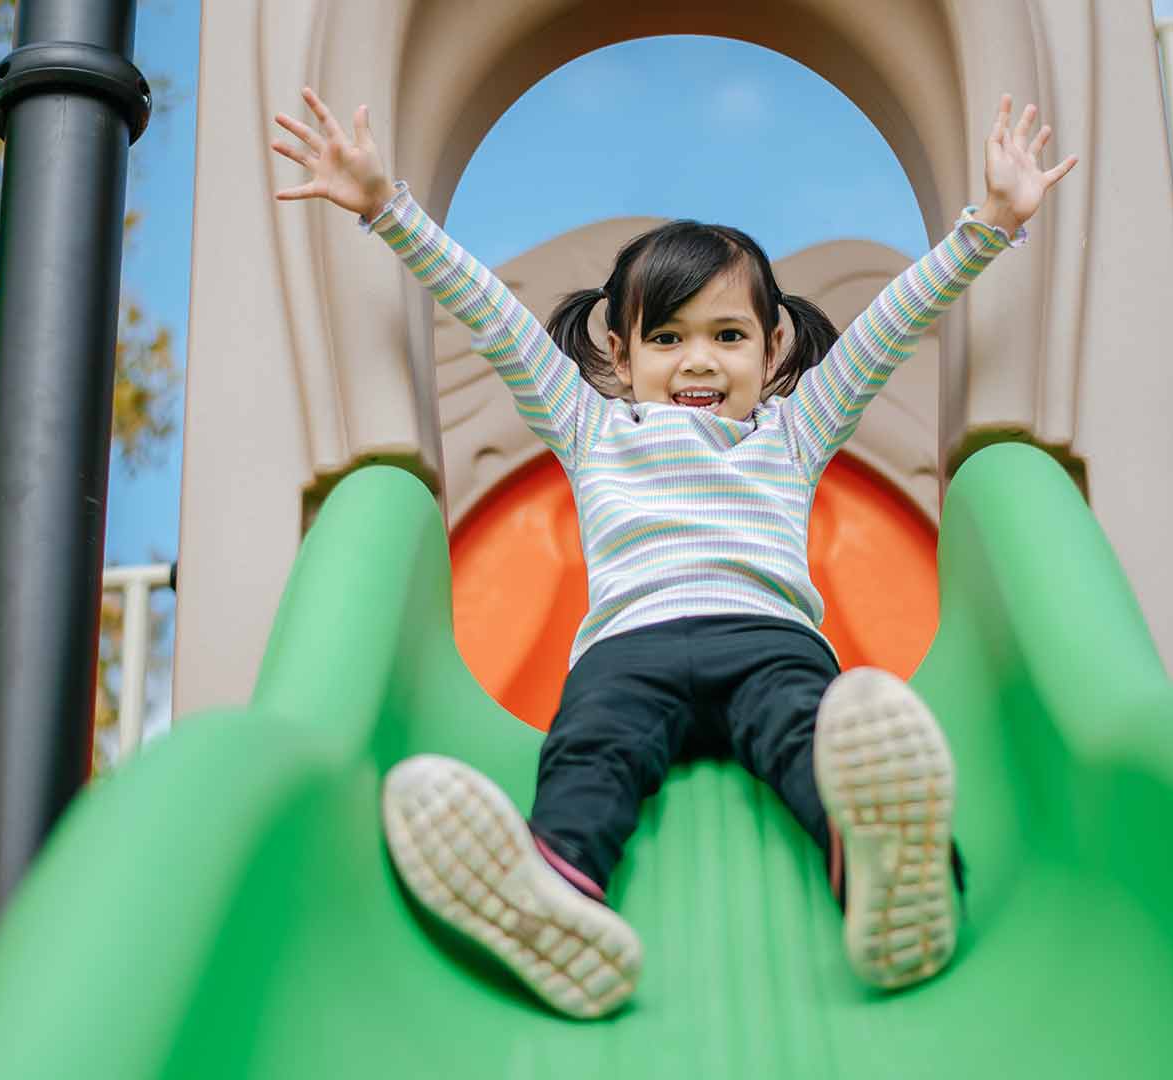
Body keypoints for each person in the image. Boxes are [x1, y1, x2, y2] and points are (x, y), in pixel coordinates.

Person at [270, 88, 1075, 1020]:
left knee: (814, 735)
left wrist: (991, 225)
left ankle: (891, 875)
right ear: (618, 350)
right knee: (591, 754)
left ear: (775, 349)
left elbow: (890, 327)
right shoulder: (587, 424)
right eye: (668, 337)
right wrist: (385, 208)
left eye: (728, 336)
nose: (699, 361)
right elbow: (490, 315)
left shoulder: (795, 429)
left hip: (767, 640)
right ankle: (557, 894)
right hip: (628, 650)